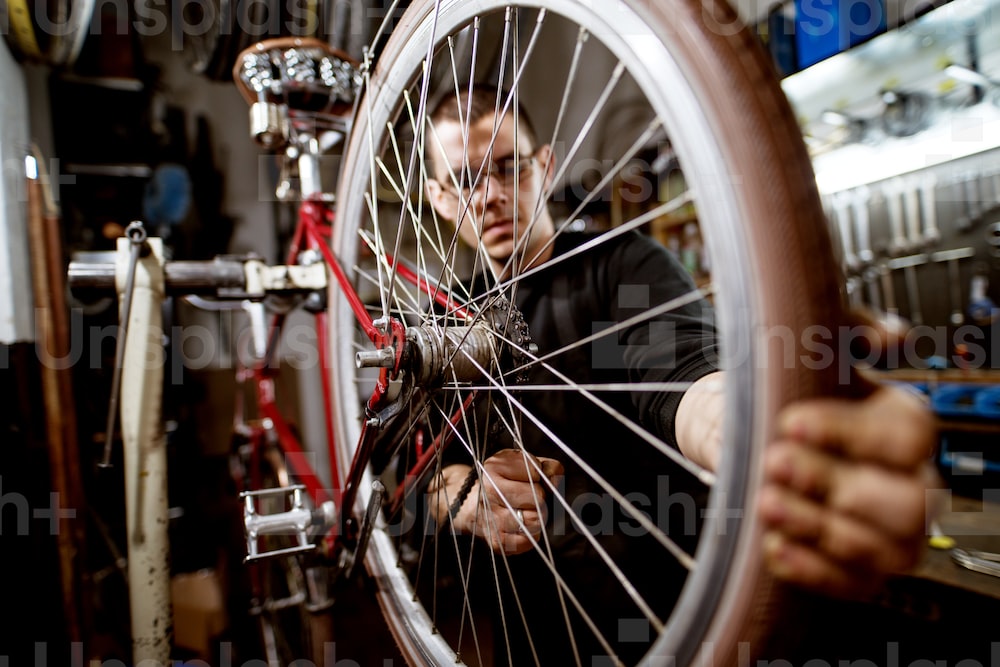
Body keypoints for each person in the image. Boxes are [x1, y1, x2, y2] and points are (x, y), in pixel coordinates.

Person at [412, 85, 936, 663]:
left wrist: (765, 440)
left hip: (674, 618)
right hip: (533, 633)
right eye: (464, 180)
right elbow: (421, 474)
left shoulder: (625, 265)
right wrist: (461, 497)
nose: (487, 196)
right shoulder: (441, 323)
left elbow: (684, 376)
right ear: (438, 198)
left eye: (507, 167)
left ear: (545, 165)